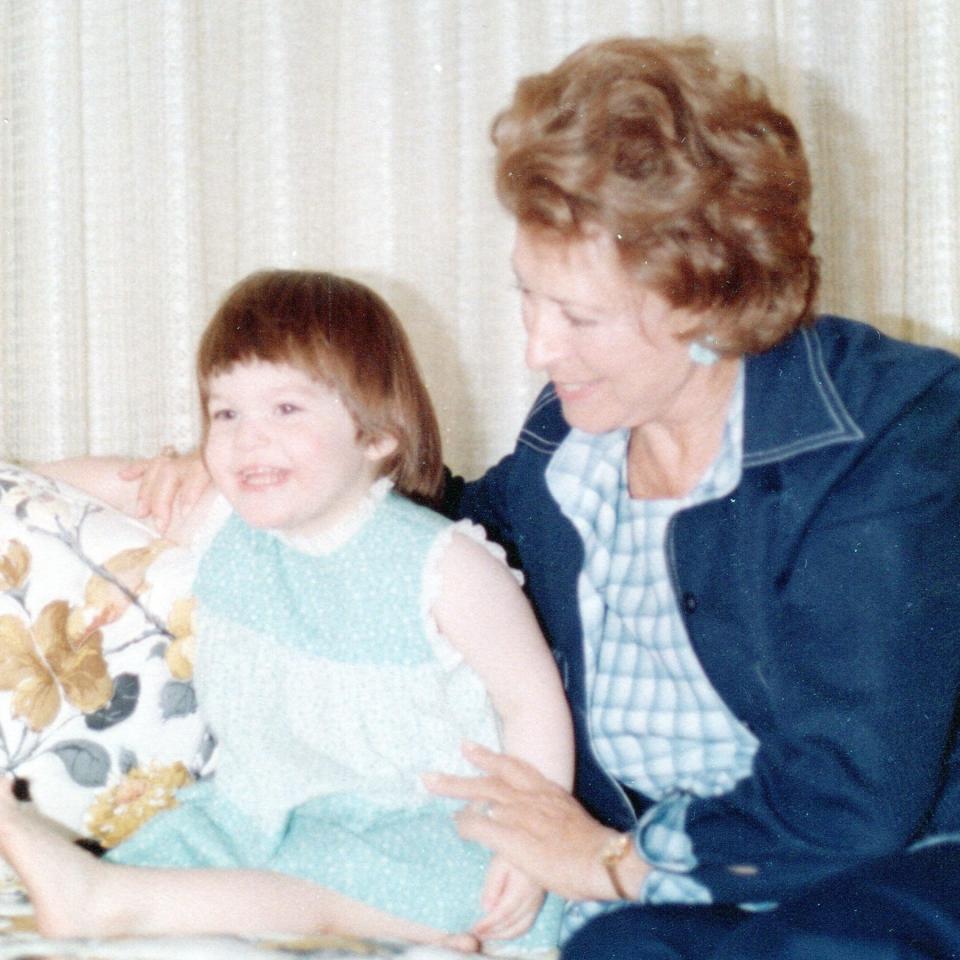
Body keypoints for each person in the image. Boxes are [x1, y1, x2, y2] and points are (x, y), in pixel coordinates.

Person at [107, 37, 960, 959]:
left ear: (708, 299)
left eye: (580, 317)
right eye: (528, 296)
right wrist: (249, 473)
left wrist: (607, 862)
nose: (536, 350)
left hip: (893, 866)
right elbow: (450, 530)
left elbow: (853, 792)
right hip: (667, 886)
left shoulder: (894, 436)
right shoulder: (571, 440)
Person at [8, 269, 573, 953]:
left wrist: (532, 842)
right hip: (256, 818)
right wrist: (161, 466)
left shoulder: (445, 565)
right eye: (225, 413)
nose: (249, 438)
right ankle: (142, 898)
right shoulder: (225, 526)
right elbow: (47, 490)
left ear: (378, 434)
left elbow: (533, 705)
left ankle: (106, 901)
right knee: (185, 855)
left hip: (426, 824)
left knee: (474, 893)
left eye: (286, 410)